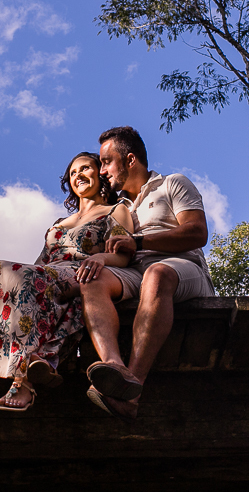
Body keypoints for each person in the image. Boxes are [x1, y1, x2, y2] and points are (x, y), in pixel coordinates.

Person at [0, 151, 134, 412]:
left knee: (19, 275)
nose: (78, 175)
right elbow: (41, 262)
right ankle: (36, 362)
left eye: (85, 168)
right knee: (0, 272)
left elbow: (124, 255)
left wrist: (100, 258)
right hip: (49, 274)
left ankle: (21, 379)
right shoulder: (59, 223)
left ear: (100, 174)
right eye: (73, 173)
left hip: (83, 271)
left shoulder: (115, 210)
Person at [79, 126, 215, 420]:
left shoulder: (172, 183)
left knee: (156, 273)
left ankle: (133, 391)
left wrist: (139, 242)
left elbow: (197, 232)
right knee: (92, 278)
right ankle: (115, 368)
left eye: (106, 162)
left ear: (130, 160)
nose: (102, 171)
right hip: (135, 274)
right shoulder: (116, 207)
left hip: (182, 267)